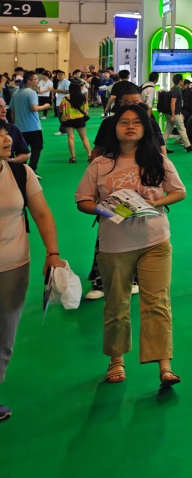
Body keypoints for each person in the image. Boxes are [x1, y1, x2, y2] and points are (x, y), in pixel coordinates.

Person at [74, 105, 186, 388]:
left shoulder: (158, 160)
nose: (130, 127)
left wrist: (155, 202)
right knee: (116, 304)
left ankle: (164, 365)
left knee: (157, 302)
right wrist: (106, 210)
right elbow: (82, 200)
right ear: (114, 129)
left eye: (137, 122)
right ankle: (116, 359)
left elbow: (179, 191)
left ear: (145, 128)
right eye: (124, 122)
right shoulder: (99, 164)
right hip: (114, 245)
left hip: (155, 241)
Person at [1, 130, 66, 421]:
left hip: (13, 266)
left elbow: (42, 214)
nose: (7, 140)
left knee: (5, 334)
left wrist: (53, 254)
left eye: (6, 134)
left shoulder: (20, 173)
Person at [83, 83, 166, 301]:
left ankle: (135, 279)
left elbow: (161, 149)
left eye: (137, 103)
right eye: (127, 103)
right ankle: (100, 280)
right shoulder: (109, 124)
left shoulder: (150, 123)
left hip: (144, 191)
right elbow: (96, 151)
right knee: (108, 234)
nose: (132, 108)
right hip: (112, 191)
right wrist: (98, 177)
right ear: (118, 103)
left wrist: (160, 176)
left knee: (145, 235)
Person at [10, 75, 52, 170]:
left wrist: (15, 123)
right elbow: (34, 108)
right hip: (33, 127)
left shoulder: (16, 93)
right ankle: (32, 169)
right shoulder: (31, 93)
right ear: (28, 81)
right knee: (36, 148)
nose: (37, 81)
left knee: (22, 150)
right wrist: (45, 106)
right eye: (35, 79)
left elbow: (12, 111)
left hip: (20, 127)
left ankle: (22, 170)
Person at [60, 77, 92, 163]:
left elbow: (60, 110)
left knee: (70, 138)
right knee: (84, 137)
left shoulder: (64, 99)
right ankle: (90, 155)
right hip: (79, 119)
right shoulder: (83, 98)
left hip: (67, 120)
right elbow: (86, 111)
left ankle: (73, 157)